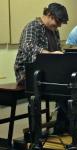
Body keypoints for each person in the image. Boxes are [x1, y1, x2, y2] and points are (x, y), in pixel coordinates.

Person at [14, 3, 70, 134]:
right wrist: (50, 54)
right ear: (50, 15)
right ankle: (38, 133)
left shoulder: (54, 31)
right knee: (63, 88)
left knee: (69, 86)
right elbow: (28, 48)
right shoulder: (32, 26)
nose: (60, 25)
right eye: (58, 21)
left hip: (46, 72)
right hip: (27, 72)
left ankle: (63, 125)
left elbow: (58, 51)